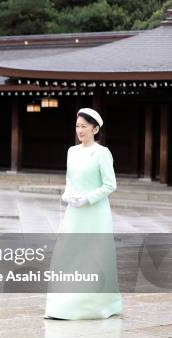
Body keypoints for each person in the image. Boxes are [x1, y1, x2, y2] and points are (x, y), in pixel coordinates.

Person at [45, 108, 122, 320]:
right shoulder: (72, 151)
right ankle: (63, 305)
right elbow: (70, 179)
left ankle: (97, 306)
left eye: (84, 126)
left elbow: (110, 185)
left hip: (95, 213)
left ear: (95, 129)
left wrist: (88, 199)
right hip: (74, 211)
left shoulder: (102, 153)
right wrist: (68, 195)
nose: (80, 130)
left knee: (93, 255)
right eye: (78, 126)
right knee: (68, 253)